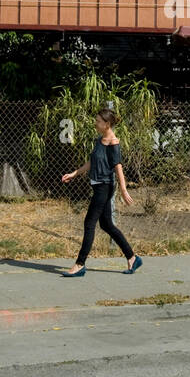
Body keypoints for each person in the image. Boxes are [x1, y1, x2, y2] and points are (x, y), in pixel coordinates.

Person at [59, 107, 142, 277]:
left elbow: (118, 168)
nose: (95, 123)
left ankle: (80, 264)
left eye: (98, 121)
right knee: (106, 224)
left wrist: (124, 190)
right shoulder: (100, 140)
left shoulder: (113, 143)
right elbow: (91, 162)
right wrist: (74, 174)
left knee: (89, 223)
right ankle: (132, 258)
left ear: (107, 124)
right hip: (97, 185)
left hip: (105, 186)